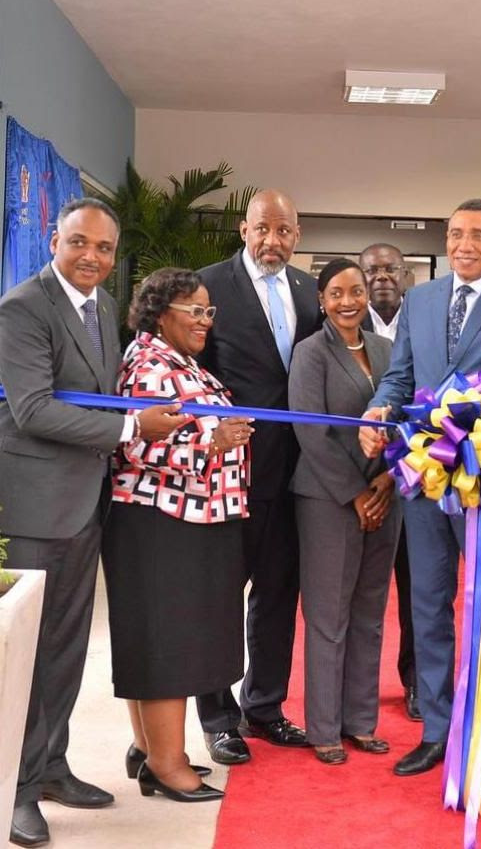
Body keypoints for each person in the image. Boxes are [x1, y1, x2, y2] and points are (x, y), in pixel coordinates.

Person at [0, 199, 185, 847]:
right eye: (79, 242)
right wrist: (132, 426)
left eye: (104, 248)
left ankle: (51, 766)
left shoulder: (103, 307)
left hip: (85, 501)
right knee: (29, 654)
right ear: (55, 239)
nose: (91, 257)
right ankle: (17, 791)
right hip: (36, 506)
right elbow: (32, 410)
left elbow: (101, 396)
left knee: (66, 648)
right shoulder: (23, 307)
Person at [359, 198, 481, 777]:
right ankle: (438, 731)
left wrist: (439, 420)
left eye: (478, 235)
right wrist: (378, 409)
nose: (465, 244)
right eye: (456, 233)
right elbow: (399, 376)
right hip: (423, 476)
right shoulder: (419, 299)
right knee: (427, 604)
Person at [104, 268, 253, 803]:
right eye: (194, 309)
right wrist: (214, 443)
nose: (205, 320)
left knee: (158, 640)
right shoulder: (149, 364)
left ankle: (149, 751)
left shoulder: (176, 360)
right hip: (162, 522)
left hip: (185, 520)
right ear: (160, 312)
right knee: (166, 642)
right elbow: (138, 444)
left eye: (209, 311)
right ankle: (167, 765)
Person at [194, 189, 322, 763]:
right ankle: (218, 718)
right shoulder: (207, 287)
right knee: (220, 597)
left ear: (297, 236)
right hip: (229, 470)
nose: (273, 240)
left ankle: (265, 708)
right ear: (244, 230)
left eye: (284, 230)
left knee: (278, 595)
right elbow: (188, 374)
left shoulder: (309, 291)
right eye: (263, 228)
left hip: (296, 473)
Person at [289, 258, 401, 764]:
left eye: (356, 290)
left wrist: (387, 480)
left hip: (386, 493)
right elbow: (310, 432)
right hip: (328, 499)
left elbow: (407, 418)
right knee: (328, 616)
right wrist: (356, 493)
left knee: (370, 613)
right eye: (336, 293)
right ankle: (324, 729)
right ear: (322, 300)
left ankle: (360, 722)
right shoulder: (310, 353)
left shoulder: (387, 350)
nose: (348, 301)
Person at [358, 242, 421, 723]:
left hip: (420, 477)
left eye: (391, 269)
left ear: (406, 277)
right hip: (359, 483)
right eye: (372, 270)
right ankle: (357, 688)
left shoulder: (426, 324)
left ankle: (417, 681)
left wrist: (399, 471)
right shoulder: (340, 324)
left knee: (420, 588)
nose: (381, 276)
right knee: (363, 592)